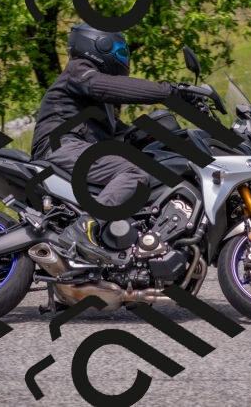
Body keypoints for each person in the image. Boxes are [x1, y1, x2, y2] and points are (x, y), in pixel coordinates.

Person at [30, 23, 192, 261]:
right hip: (59, 145)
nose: (122, 56)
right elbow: (106, 86)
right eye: (118, 50)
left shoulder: (96, 100)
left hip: (75, 146)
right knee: (133, 172)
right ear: (98, 45)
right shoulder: (79, 71)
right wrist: (168, 92)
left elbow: (123, 134)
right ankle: (85, 227)